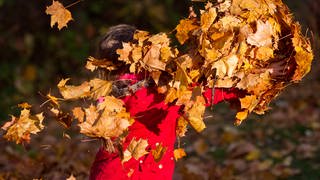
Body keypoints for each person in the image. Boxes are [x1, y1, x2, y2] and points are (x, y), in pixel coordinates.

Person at [89, 25, 290, 180]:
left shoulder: (112, 94)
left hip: (107, 173)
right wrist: (262, 74)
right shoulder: (152, 94)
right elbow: (206, 92)